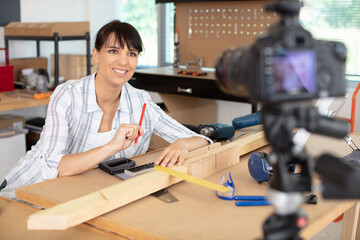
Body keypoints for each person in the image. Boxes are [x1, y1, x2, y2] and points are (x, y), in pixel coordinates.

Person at [0, 20, 211, 199]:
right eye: (113, 51)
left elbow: (202, 140)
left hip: (85, 195)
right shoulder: (68, 95)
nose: (123, 61)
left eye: (132, 53)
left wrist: (182, 144)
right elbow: (56, 167)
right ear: (96, 54)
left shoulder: (140, 101)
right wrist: (112, 146)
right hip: (31, 190)